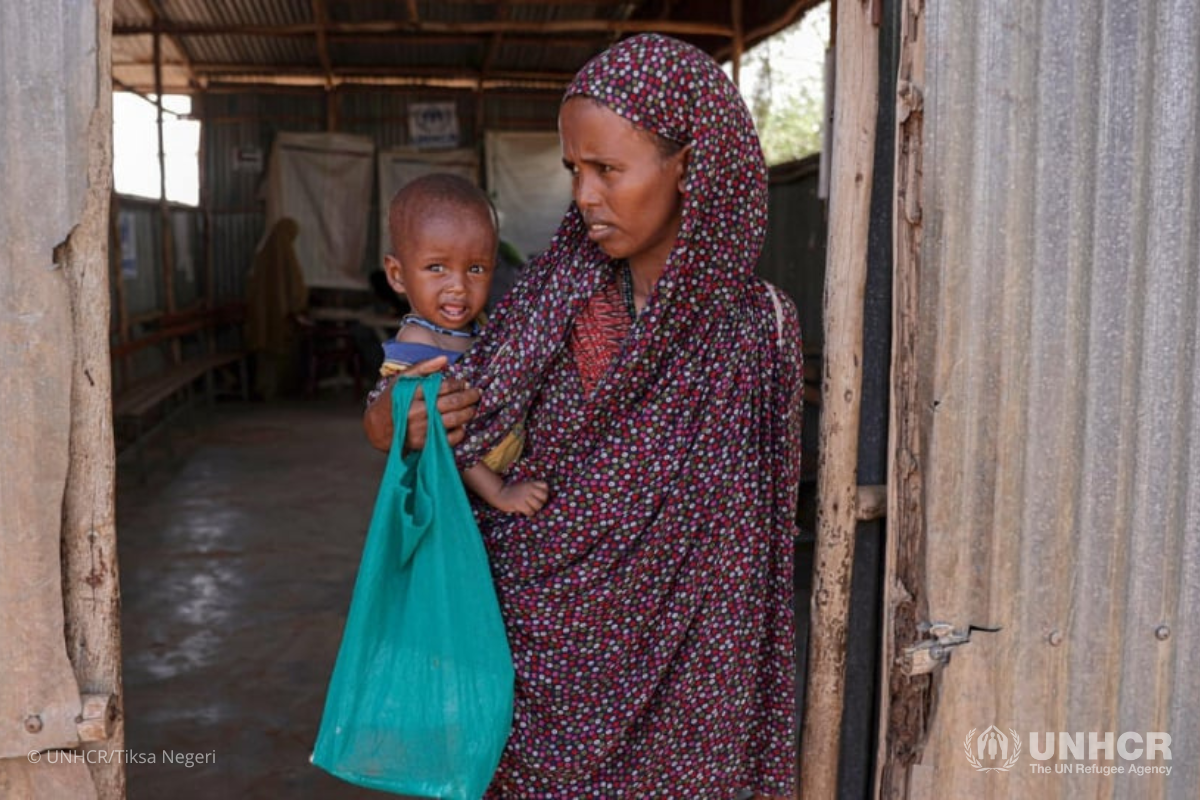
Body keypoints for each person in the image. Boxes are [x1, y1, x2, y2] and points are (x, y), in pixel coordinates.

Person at [364, 34, 802, 798]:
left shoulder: (755, 328)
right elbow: (441, 417)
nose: (584, 196)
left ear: (691, 166)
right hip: (536, 661)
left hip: (690, 684)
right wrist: (404, 424)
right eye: (574, 170)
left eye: (607, 169)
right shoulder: (554, 296)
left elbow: (751, 540)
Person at [377, 173, 549, 517]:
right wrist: (499, 492)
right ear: (397, 275)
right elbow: (443, 442)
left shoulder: (481, 326)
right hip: (454, 499)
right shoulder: (418, 351)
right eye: (436, 267)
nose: (458, 286)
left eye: (475, 269)